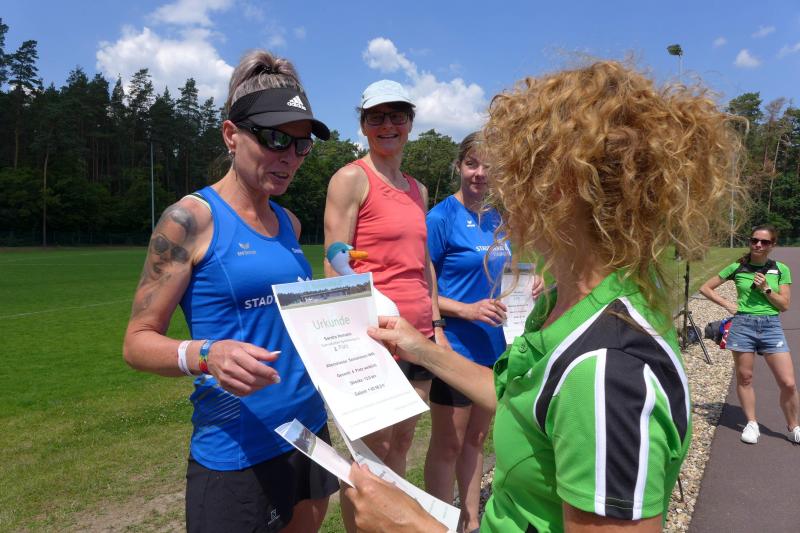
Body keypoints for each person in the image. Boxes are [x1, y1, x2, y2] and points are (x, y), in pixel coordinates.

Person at [343, 60, 746, 532]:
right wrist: (423, 348)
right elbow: (518, 398)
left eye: (516, 172)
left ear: (558, 192)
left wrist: (413, 526)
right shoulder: (571, 305)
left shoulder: (606, 372)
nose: (501, 189)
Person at [123, 50, 338, 533]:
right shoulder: (189, 220)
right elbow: (136, 342)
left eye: (302, 145)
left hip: (308, 429)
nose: (289, 157)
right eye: (275, 138)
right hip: (239, 449)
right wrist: (207, 354)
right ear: (230, 134)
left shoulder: (288, 221)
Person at [323, 79, 447, 476]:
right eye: (376, 117)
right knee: (372, 453)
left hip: (418, 335)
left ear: (410, 122)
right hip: (373, 338)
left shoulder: (418, 190)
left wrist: (436, 326)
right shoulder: (351, 179)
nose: (387, 125)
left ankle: (395, 510)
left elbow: (422, 263)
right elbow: (333, 265)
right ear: (363, 125)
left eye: (396, 116)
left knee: (403, 441)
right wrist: (351, 340)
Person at [426, 132, 537, 532]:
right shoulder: (439, 218)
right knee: (448, 444)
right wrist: (466, 310)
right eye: (472, 164)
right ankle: (440, 523)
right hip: (456, 347)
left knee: (475, 439)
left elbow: (509, 274)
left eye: (489, 166)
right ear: (459, 166)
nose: (480, 173)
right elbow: (422, 289)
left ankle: (470, 521)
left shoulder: (497, 219)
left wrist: (531, 281)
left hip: (494, 346)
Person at [699, 224, 798, 444]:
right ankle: (752, 423)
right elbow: (705, 288)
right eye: (754, 240)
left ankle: (794, 426)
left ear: (772, 245)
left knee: (788, 382)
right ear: (750, 242)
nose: (758, 245)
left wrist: (766, 289)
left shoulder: (780, 269)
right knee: (745, 377)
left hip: (771, 326)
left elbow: (784, 305)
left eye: (764, 242)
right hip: (743, 325)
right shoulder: (738, 267)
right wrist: (728, 304)